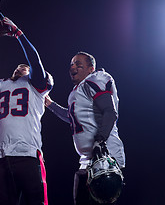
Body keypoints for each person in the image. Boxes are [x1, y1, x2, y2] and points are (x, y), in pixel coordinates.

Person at [0, 17, 53, 205]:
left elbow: (34, 59)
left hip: (28, 154)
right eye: (19, 66)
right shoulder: (1, 86)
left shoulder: (36, 86)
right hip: (2, 158)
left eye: (26, 68)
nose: (22, 67)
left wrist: (18, 33)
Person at [45, 52, 125, 205]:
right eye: (71, 64)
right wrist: (50, 105)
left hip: (105, 158)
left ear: (91, 68)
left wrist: (100, 140)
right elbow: (71, 118)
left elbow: (110, 112)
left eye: (77, 63)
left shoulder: (95, 79)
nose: (72, 66)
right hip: (88, 161)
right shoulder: (77, 91)